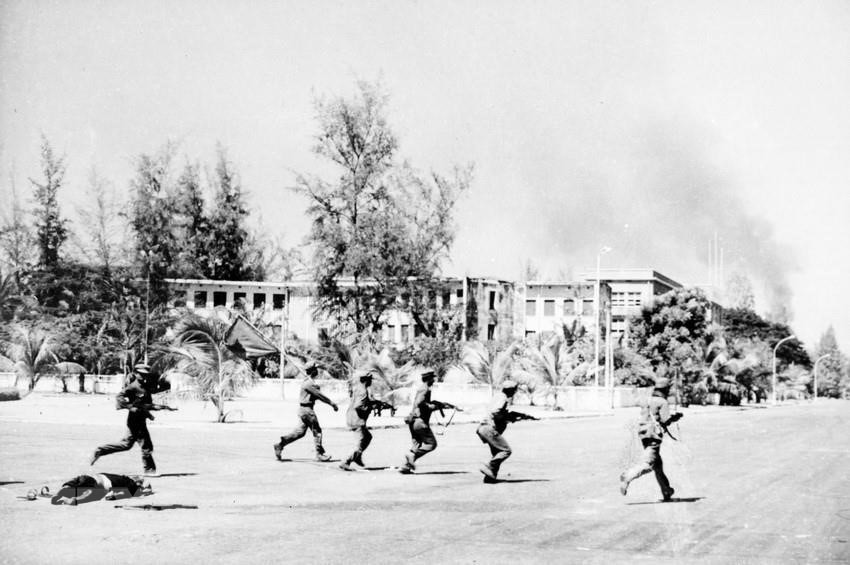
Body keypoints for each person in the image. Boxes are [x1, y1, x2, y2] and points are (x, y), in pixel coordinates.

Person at [90, 364, 169, 476]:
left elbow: (146, 404)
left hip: (140, 419)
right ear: (136, 374)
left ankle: (100, 450)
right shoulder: (133, 386)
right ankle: (149, 470)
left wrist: (162, 407)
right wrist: (130, 407)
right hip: (135, 420)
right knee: (145, 446)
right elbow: (119, 396)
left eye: (146, 375)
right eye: (141, 374)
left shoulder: (144, 386)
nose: (144, 377)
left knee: (127, 445)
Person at [619, 377, 683, 501]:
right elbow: (665, 420)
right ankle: (628, 476)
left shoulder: (647, 399)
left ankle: (666, 491)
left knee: (657, 464)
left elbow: (642, 407)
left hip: (643, 433)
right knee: (649, 463)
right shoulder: (663, 402)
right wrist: (676, 417)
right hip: (654, 435)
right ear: (665, 389)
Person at [274, 362, 339, 462]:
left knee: (300, 433)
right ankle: (319, 454)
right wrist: (332, 403)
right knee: (317, 431)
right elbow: (320, 396)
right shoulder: (309, 383)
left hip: (303, 410)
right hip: (307, 410)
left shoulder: (308, 382)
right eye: (315, 369)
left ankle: (280, 444)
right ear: (312, 371)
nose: (317, 371)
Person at [476, 379, 538, 483]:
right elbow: (496, 412)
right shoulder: (503, 398)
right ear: (511, 390)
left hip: (483, 428)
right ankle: (488, 467)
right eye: (514, 390)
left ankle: (490, 477)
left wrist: (517, 416)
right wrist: (508, 417)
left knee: (496, 452)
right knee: (505, 451)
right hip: (489, 428)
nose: (514, 393)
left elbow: (500, 412)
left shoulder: (497, 396)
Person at [399, 370, 459, 474]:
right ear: (429, 379)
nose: (434, 380)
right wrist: (433, 407)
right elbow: (420, 403)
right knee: (431, 444)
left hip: (413, 421)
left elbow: (423, 403)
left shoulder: (423, 388)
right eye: (432, 378)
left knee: (416, 445)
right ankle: (412, 456)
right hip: (420, 422)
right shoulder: (425, 389)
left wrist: (445, 405)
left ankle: (406, 467)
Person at [339, 370, 393, 471]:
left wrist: (378, 404)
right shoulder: (363, 391)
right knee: (360, 442)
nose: (371, 382)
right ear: (366, 380)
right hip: (357, 420)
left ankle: (357, 457)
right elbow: (359, 406)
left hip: (352, 417)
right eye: (370, 380)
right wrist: (371, 407)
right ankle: (346, 462)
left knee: (367, 437)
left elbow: (364, 402)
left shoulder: (359, 388)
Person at [50, 473, 152, 505]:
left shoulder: (126, 480)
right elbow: (133, 492)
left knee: (76, 484)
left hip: (93, 477)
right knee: (89, 492)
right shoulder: (129, 483)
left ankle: (63, 492)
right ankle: (72, 498)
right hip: (96, 481)